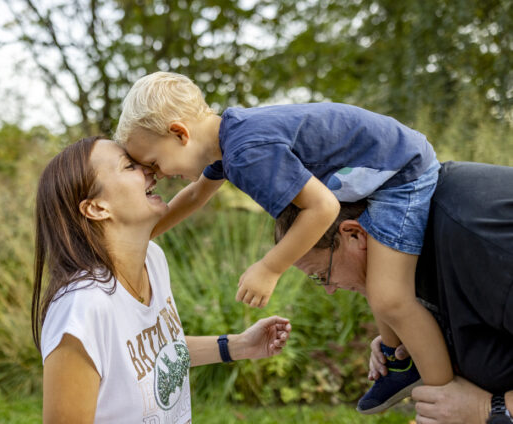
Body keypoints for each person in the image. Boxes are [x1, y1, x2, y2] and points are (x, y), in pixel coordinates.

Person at [114, 71, 451, 412]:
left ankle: (446, 400)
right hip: (384, 171)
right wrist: (141, 235)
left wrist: (270, 267)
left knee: (391, 298)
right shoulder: (229, 139)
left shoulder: (246, 152)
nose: (159, 175)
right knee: (379, 289)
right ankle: (400, 364)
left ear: (179, 133)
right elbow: (195, 196)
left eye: (156, 163)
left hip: (401, 172)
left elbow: (322, 208)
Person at [31, 136, 292, 424]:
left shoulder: (152, 260)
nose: (149, 170)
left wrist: (239, 345)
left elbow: (156, 354)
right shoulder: (81, 308)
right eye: (129, 166)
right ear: (97, 208)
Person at [275, 161, 513, 423]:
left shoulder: (480, 238)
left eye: (323, 275)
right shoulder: (416, 240)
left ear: (354, 234)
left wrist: (490, 409)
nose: (330, 290)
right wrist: (424, 335)